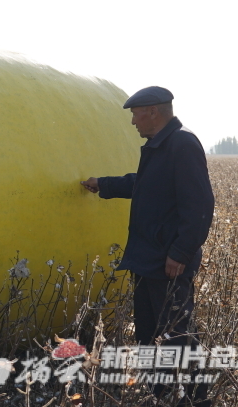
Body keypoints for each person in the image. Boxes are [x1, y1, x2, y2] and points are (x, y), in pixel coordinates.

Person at [81, 86, 214, 407]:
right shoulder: (160, 146)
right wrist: (105, 184)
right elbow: (143, 185)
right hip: (147, 259)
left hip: (166, 261)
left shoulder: (181, 144)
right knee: (149, 333)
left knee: (176, 333)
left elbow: (200, 204)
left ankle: (198, 399)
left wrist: (180, 253)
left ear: (153, 111)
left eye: (135, 114)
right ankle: (163, 394)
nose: (132, 122)